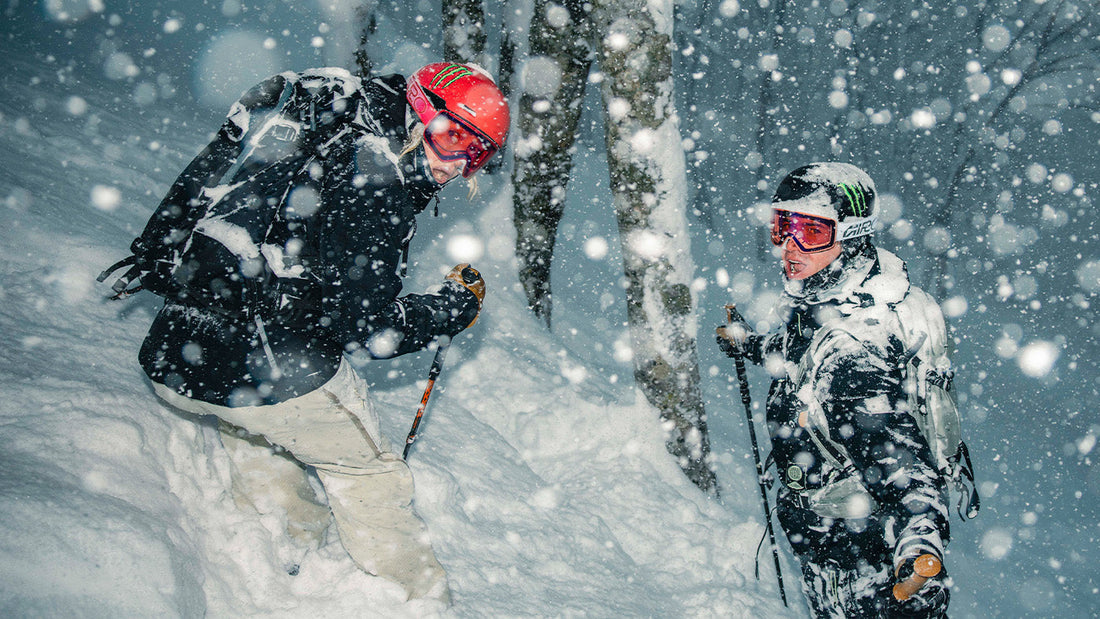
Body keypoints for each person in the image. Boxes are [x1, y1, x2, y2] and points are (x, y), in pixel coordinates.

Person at [104, 62, 509, 603]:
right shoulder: (376, 177)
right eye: (453, 135)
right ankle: (416, 598)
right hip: (265, 366)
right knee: (365, 471)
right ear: (418, 109)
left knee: (258, 415)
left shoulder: (322, 112)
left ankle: (284, 533)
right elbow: (370, 331)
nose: (459, 163)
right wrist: (448, 310)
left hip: (177, 351)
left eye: (478, 152)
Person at [717, 163, 951, 617]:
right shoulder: (846, 295)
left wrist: (918, 534)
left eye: (812, 231)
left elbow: (893, 452)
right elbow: (800, 359)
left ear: (853, 234)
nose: (790, 246)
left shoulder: (852, 349)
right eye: (782, 226)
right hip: (851, 535)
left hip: (863, 560)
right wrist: (752, 344)